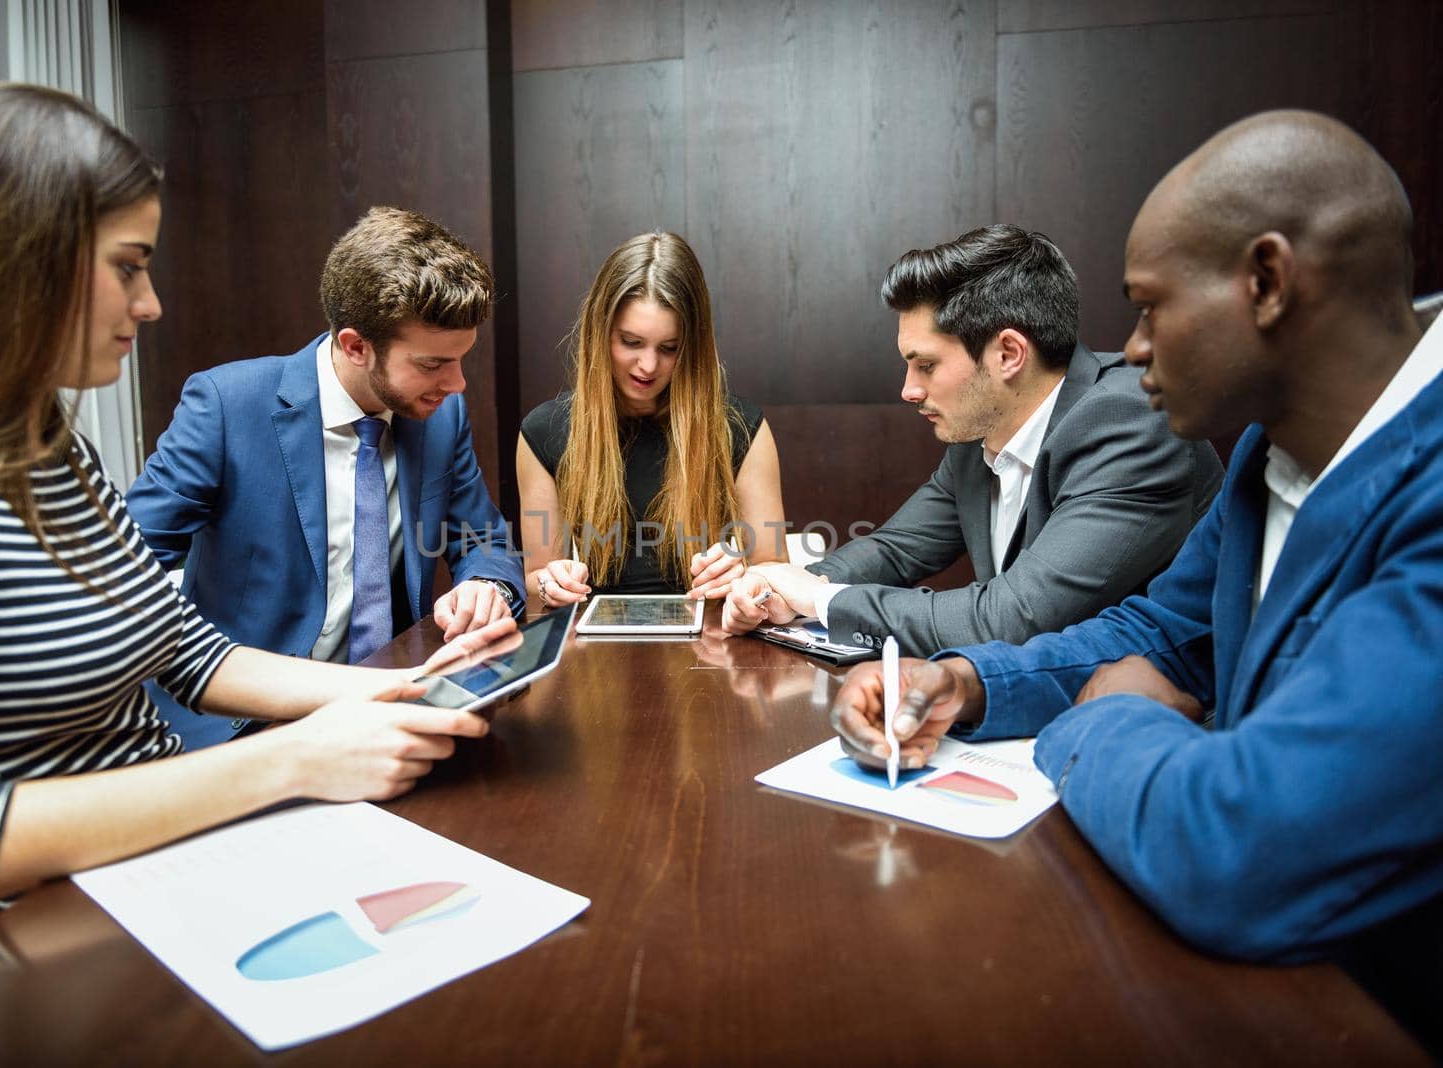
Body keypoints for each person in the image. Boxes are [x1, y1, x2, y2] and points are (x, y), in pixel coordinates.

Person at [831, 111, 1442, 1053]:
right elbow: (1162, 635)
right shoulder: (1264, 460)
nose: (1136, 348)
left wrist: (1104, 718)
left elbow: (1241, 849)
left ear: (1269, 282)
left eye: (1152, 306)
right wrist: (964, 683)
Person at [0, 83, 515, 918]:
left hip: (167, 861)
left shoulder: (60, 455)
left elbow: (190, 656)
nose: (151, 302)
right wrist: (294, 761)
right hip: (68, 918)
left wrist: (405, 686)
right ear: (11, 264)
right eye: (128, 266)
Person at [125, 206, 524, 749]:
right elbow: (126, 570)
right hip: (248, 724)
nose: (456, 385)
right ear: (356, 346)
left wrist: (486, 583)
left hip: (391, 702)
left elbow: (482, 536)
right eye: (432, 365)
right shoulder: (225, 406)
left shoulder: (440, 418)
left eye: (461, 361)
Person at [723, 225, 1222, 653]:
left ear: (1008, 353)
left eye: (927, 365)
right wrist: (775, 590)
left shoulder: (1130, 424)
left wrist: (818, 599)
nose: (909, 390)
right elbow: (896, 550)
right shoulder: (978, 436)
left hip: (1161, 722)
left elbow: (1012, 618)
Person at [517, 232, 785, 606]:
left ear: (692, 346)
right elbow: (536, 575)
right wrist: (552, 582)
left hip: (711, 643)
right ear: (600, 331)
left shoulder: (740, 427)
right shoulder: (543, 432)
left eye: (669, 348)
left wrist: (745, 575)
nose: (648, 366)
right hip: (596, 652)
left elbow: (774, 569)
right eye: (630, 342)